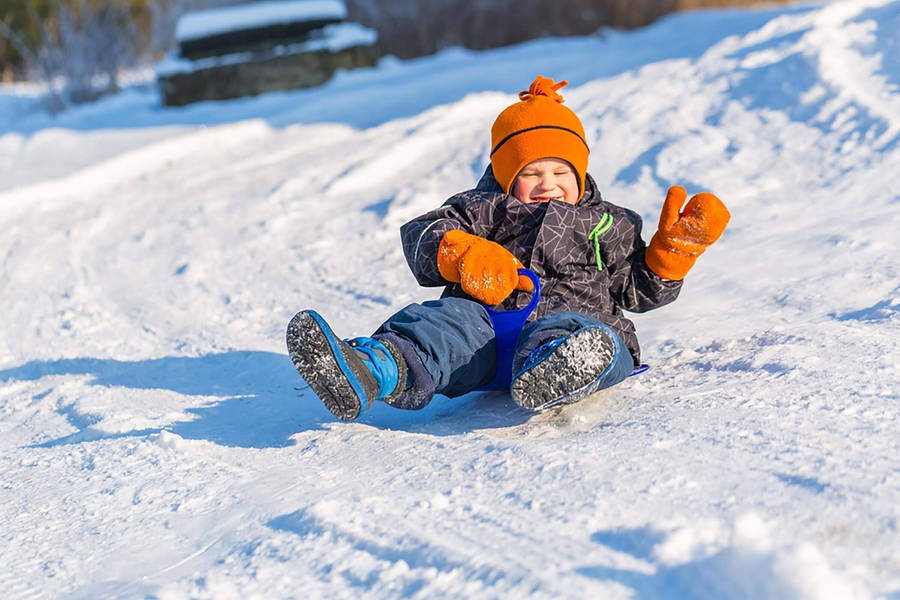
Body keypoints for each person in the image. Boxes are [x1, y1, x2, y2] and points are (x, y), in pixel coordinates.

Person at [286, 75, 730, 421]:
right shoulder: (483, 208)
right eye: (532, 172)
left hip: (570, 329)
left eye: (560, 171)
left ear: (581, 172)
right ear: (505, 173)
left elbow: (639, 294)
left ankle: (563, 369)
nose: (548, 184)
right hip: (484, 333)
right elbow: (421, 235)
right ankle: (370, 370)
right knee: (440, 324)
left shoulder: (611, 222)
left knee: (588, 334)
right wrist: (461, 253)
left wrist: (670, 259)